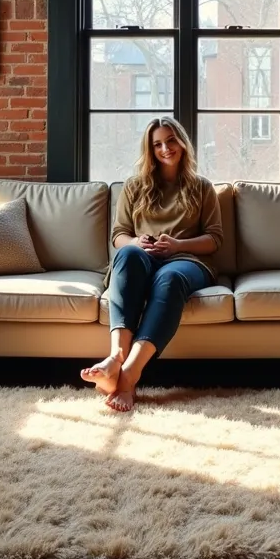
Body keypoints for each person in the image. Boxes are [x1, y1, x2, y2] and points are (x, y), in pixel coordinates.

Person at [80, 117, 223, 412]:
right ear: (150, 149)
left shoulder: (201, 187)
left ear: (182, 142)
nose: (165, 148)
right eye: (157, 144)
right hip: (142, 258)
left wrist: (178, 245)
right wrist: (136, 243)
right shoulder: (134, 186)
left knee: (169, 279)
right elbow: (119, 235)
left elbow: (214, 239)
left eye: (170, 140)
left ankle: (129, 376)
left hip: (187, 261)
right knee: (128, 256)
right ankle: (116, 358)